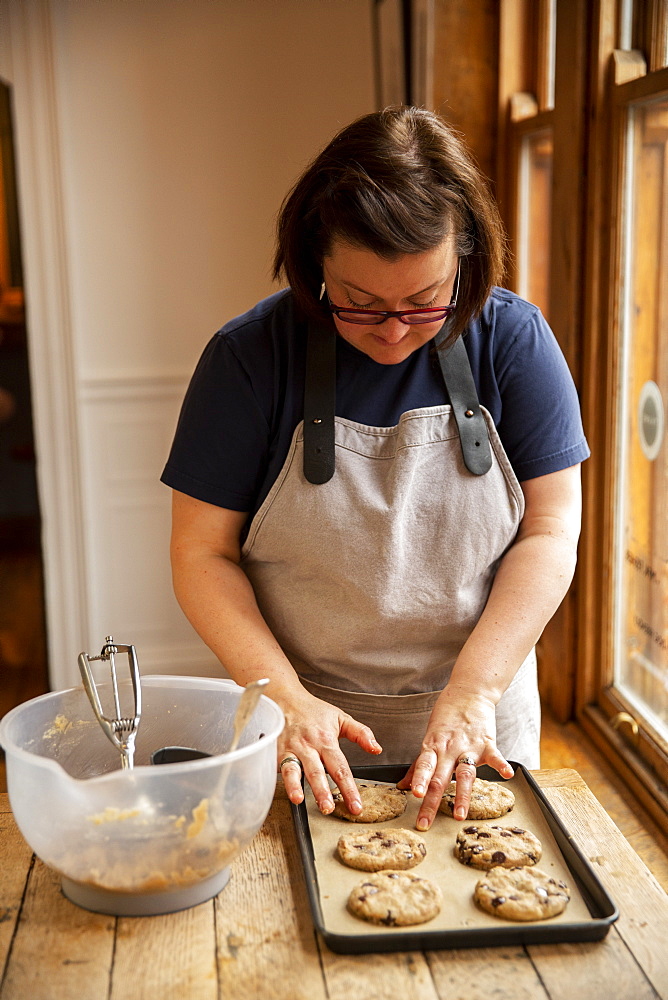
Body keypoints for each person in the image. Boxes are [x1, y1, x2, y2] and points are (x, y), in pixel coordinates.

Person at [161, 106, 588, 831]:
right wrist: (284, 699)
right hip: (305, 727)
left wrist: (476, 690)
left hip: (479, 719)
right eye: (358, 304)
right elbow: (201, 554)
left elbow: (550, 532)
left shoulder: (514, 342)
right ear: (313, 262)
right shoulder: (247, 361)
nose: (393, 330)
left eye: (425, 303)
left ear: (467, 258)